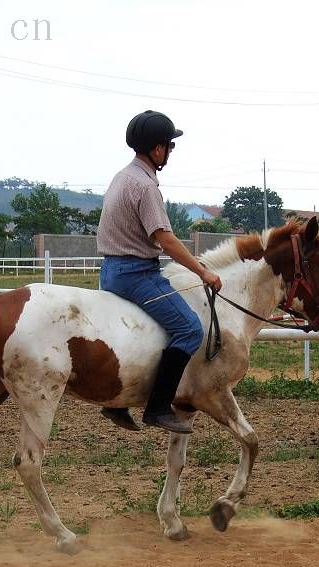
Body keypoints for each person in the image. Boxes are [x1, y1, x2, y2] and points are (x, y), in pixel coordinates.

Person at [96, 110, 222, 435]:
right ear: (157, 150)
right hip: (137, 275)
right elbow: (165, 239)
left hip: (110, 270)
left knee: (126, 333)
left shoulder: (121, 177)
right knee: (190, 329)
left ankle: (116, 401)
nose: (171, 152)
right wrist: (202, 271)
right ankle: (157, 408)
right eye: (170, 146)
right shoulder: (145, 186)